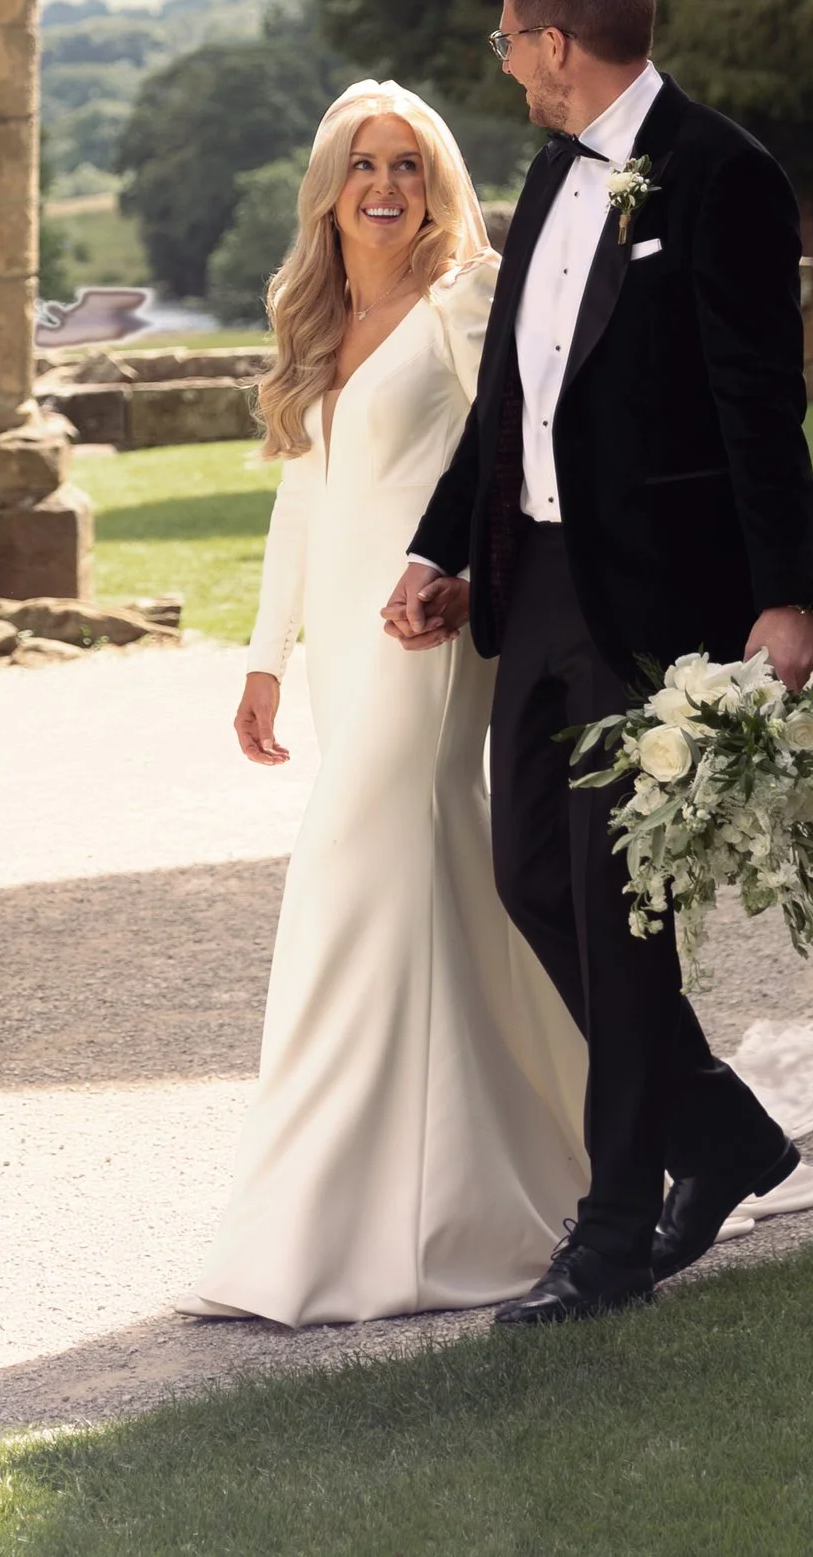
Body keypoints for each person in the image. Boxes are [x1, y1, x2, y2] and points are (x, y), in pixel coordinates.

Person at [384, 0, 813, 1325]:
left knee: (616, 910)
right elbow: (515, 401)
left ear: (560, 44)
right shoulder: (552, 166)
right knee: (533, 877)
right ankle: (731, 1135)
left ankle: (611, 1231)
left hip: (657, 605)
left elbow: (763, 403)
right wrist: (440, 546)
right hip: (534, 584)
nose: (507, 62)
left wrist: (788, 595)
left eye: (511, 38)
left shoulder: (724, 177)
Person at [194, 82, 587, 1323]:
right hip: (336, 651)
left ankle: (364, 1204)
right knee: (424, 884)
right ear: (330, 185)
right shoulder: (315, 317)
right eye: (363, 164)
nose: (385, 186)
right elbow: (300, 504)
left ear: (436, 181)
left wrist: (466, 579)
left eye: (408, 165)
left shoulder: (465, 296)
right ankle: (543, 1139)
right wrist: (263, 657)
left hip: (426, 631)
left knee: (351, 868)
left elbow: (520, 461)